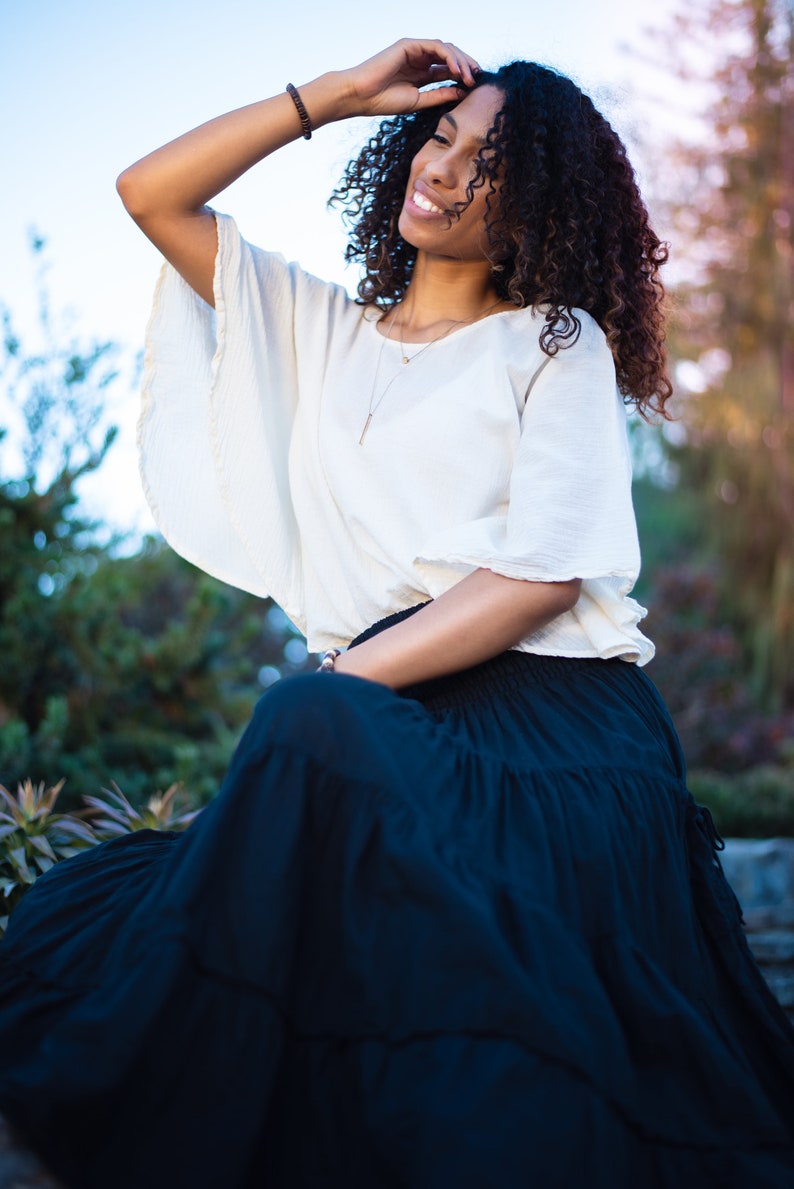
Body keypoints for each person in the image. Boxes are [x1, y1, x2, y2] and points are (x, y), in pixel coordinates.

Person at [1, 37, 793, 1189]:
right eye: (440, 136)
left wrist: (336, 690)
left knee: (302, 727)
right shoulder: (312, 328)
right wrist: (333, 97)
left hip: (551, 726)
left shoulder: (551, 343)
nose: (445, 173)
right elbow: (149, 193)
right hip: (380, 717)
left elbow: (541, 577)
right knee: (93, 917)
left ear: (541, 210)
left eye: (492, 167)